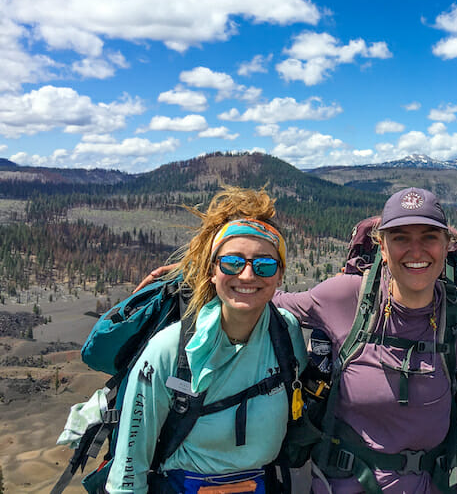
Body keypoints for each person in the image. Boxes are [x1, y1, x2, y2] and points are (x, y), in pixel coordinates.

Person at [274, 187, 457, 494]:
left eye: (429, 237)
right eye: (400, 237)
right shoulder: (345, 296)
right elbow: (267, 300)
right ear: (382, 248)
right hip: (347, 483)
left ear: (445, 246)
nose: (416, 251)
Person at [106, 186, 307, 494]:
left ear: (279, 277)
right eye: (232, 263)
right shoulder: (169, 350)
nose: (247, 275)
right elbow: (129, 469)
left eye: (264, 264)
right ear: (212, 271)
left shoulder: (286, 333)